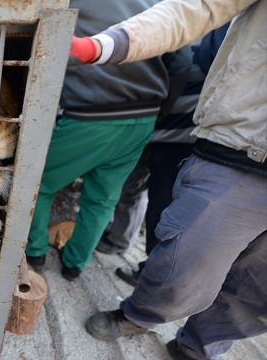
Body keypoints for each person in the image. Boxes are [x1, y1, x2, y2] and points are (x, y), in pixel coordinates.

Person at [71, 1, 266, 359]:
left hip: (144, 123)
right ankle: (141, 308)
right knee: (178, 244)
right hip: (227, 144)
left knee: (258, 290)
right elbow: (195, 17)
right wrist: (107, 46)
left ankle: (200, 344)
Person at [24, 0, 191, 281]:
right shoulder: (162, 4)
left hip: (90, 115)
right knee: (103, 198)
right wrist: (160, 111)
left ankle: (35, 252)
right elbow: (182, 62)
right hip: (143, 120)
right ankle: (75, 264)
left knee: (36, 182)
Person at [96, 25, 230, 288]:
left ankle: (149, 272)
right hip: (152, 130)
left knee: (163, 208)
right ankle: (119, 239)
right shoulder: (188, 27)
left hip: (180, 139)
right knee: (130, 188)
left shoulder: (223, 40)